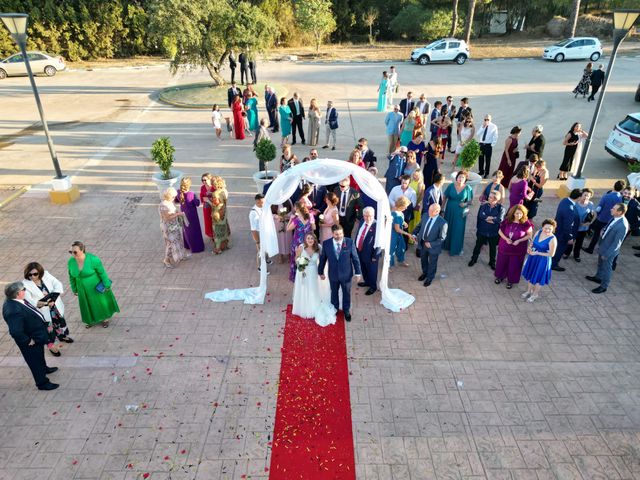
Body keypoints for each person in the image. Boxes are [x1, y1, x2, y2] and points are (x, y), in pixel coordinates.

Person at [3, 281, 60, 390]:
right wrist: (28, 340)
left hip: (36, 336)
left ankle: (44, 369)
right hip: (30, 341)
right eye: (23, 289)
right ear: (18, 293)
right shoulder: (13, 310)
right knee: (34, 362)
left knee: (39, 355)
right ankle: (42, 383)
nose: (25, 291)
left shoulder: (17, 300)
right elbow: (15, 331)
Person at [23, 262, 72, 356]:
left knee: (60, 321)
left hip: (54, 307)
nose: (32, 276)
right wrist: (46, 303)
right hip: (43, 311)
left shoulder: (46, 275)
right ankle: (51, 346)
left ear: (40, 272)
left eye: (35, 274)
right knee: (48, 329)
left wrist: (53, 299)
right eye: (30, 274)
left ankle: (62, 336)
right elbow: (30, 301)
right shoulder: (25, 284)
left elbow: (57, 284)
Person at [67, 241, 119, 328]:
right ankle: (90, 320)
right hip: (81, 287)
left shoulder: (93, 259)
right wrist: (74, 289)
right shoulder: (71, 262)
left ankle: (104, 319)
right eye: (70, 252)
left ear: (82, 250)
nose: (72, 254)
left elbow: (102, 273)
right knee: (86, 304)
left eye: (75, 252)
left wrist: (107, 285)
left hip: (94, 286)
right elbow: (71, 276)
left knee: (99, 302)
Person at [318, 225, 362, 322]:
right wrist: (320, 271)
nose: (339, 236)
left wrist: (358, 272)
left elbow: (355, 258)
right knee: (334, 293)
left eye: (341, 234)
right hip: (333, 274)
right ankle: (335, 309)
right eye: (336, 234)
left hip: (346, 274)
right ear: (332, 233)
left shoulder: (349, 242)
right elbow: (323, 259)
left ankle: (346, 310)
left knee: (346, 293)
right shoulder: (326, 244)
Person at [586, 203, 629, 294]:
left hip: (609, 251)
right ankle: (598, 277)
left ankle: (603, 286)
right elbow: (608, 226)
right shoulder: (614, 217)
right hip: (603, 246)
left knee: (607, 269)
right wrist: (603, 230)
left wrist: (607, 254)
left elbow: (616, 243)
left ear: (620, 212)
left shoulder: (623, 225)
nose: (611, 209)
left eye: (614, 209)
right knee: (600, 264)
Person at [292, 233, 334, 325]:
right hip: (302, 271)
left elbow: (323, 260)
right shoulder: (301, 247)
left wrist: (322, 273)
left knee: (313, 290)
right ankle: (304, 308)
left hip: (313, 272)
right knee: (304, 289)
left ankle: (313, 307)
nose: (310, 240)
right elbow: (296, 260)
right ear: (305, 239)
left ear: (315, 239)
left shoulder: (318, 247)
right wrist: (299, 259)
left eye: (312, 238)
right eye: (308, 238)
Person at [494, 205, 533, 289]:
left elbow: (529, 235)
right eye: (517, 213)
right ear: (513, 213)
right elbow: (500, 231)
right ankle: (500, 276)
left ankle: (511, 280)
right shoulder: (507, 220)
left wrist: (519, 240)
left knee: (514, 265)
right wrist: (506, 239)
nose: (519, 215)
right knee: (502, 262)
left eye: (521, 214)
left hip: (518, 249)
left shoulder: (526, 223)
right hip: (505, 246)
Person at [584, 180, 626, 254]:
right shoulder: (620, 198)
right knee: (606, 235)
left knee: (596, 234)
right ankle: (601, 249)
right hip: (611, 220)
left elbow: (598, 209)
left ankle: (590, 249)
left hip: (601, 219)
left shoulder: (606, 196)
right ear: (622, 189)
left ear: (614, 186)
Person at [521, 219, 558, 302]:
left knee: (538, 278)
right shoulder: (538, 232)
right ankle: (528, 291)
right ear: (542, 227)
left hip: (543, 260)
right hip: (533, 257)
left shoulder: (553, 239)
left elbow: (552, 254)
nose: (547, 230)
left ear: (553, 229)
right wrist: (529, 248)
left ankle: (535, 294)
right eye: (546, 228)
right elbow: (532, 243)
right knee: (531, 274)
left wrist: (537, 253)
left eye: (550, 229)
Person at [468, 191, 505, 270]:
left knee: (493, 248)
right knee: (478, 245)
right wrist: (492, 218)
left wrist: (487, 218)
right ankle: (474, 259)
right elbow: (481, 215)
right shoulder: (483, 206)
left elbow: (499, 219)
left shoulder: (501, 208)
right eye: (489, 196)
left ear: (496, 199)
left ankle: (492, 262)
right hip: (482, 230)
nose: (488, 198)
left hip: (493, 232)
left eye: (491, 197)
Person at [413, 203, 448, 287]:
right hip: (422, 243)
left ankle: (430, 277)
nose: (428, 211)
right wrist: (414, 234)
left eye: (431, 210)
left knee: (432, 263)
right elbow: (419, 226)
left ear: (437, 211)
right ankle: (425, 273)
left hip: (433, 247)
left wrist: (431, 244)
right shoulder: (425, 215)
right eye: (429, 209)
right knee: (423, 259)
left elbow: (442, 238)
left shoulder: (443, 223)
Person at [442, 171, 473, 256]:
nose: (460, 178)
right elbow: (445, 197)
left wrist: (465, 204)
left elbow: (470, 201)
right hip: (450, 209)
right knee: (448, 227)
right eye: (459, 176)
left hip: (461, 211)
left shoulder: (468, 188)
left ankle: (455, 248)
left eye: (463, 177)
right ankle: (446, 245)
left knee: (458, 229)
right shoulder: (451, 186)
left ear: (465, 179)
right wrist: (442, 208)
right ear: (457, 177)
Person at [551, 189, 581, 272]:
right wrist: (569, 238)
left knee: (556, 248)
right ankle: (553, 264)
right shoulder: (570, 209)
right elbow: (567, 226)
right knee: (559, 250)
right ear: (578, 197)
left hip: (558, 230)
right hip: (562, 234)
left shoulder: (565, 200)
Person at [159, 187, 188, 267]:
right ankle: (166, 260)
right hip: (167, 227)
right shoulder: (163, 205)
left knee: (178, 239)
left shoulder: (170, 202)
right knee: (170, 243)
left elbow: (174, 210)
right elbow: (167, 218)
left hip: (174, 225)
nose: (174, 198)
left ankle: (181, 255)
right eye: (173, 196)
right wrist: (177, 214)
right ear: (168, 196)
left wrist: (178, 211)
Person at [564, 187, 594, 262]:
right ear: (581, 195)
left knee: (579, 243)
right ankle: (566, 253)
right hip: (574, 227)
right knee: (571, 241)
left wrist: (589, 222)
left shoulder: (590, 204)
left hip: (583, 229)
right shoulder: (575, 203)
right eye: (585, 195)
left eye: (588, 196)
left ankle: (576, 255)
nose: (586, 197)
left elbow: (593, 214)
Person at [176, 177, 205, 254]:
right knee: (194, 231)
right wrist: (196, 197)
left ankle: (187, 245)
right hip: (192, 216)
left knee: (186, 230)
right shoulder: (191, 194)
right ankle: (196, 248)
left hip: (183, 213)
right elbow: (198, 204)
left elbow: (176, 200)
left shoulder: (178, 192)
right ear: (189, 185)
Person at [287, 201, 315, 282]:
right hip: (308, 241)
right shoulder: (310, 216)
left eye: (295, 208)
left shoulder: (296, 219)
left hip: (298, 242)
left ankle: (297, 276)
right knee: (306, 258)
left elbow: (288, 229)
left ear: (297, 209)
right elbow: (314, 227)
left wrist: (290, 220)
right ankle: (306, 275)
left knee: (297, 259)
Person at [355, 207, 379, 295]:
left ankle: (373, 287)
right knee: (363, 268)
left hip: (370, 254)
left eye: (370, 216)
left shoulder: (377, 226)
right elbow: (358, 234)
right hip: (359, 250)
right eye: (365, 216)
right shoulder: (362, 221)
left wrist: (375, 256)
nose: (368, 218)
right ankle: (367, 282)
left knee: (372, 271)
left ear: (374, 215)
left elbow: (380, 242)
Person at [250, 194, 272, 271]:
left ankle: (266, 260)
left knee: (266, 249)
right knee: (260, 252)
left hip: (265, 232)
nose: (262, 204)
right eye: (260, 202)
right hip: (259, 234)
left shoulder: (263, 207)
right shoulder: (253, 213)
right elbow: (253, 230)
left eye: (263, 202)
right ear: (257, 201)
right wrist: (257, 242)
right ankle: (260, 267)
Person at [389, 196, 412, 268]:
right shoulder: (395, 214)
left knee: (401, 246)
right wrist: (407, 234)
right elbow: (397, 229)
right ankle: (390, 265)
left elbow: (401, 220)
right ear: (400, 205)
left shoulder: (399, 211)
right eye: (405, 207)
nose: (406, 208)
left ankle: (401, 260)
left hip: (398, 233)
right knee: (391, 250)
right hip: (393, 234)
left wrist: (404, 223)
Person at [211, 176, 231, 254]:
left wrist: (209, 201)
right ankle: (225, 245)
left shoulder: (215, 193)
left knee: (217, 231)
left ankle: (218, 248)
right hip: (224, 211)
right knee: (224, 228)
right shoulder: (225, 191)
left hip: (218, 213)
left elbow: (215, 204)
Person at [408, 169, 425, 234]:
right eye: (414, 175)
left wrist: (415, 203)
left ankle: (412, 236)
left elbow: (421, 196)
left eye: (416, 175)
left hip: (415, 205)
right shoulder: (411, 181)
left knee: (414, 221)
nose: (415, 176)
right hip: (409, 203)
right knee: (409, 220)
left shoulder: (421, 184)